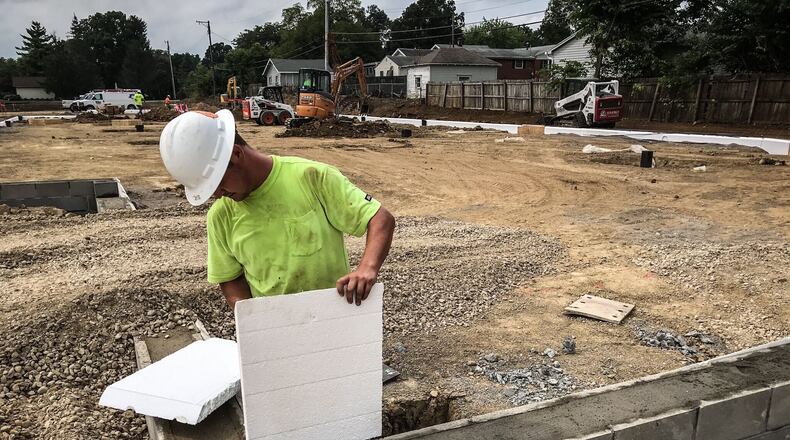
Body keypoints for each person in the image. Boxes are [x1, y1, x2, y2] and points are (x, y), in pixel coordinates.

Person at [158, 110, 395, 308]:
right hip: (276, 327)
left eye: (218, 183)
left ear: (237, 154)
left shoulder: (311, 177)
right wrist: (252, 319)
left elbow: (380, 218)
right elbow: (230, 279)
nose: (218, 195)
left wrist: (367, 268)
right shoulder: (221, 216)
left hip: (333, 314)